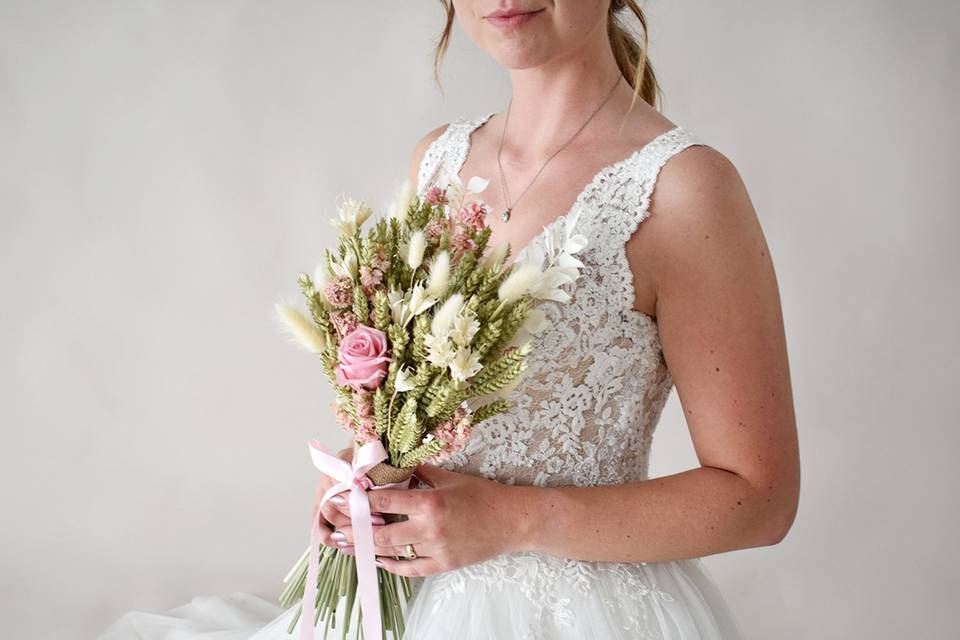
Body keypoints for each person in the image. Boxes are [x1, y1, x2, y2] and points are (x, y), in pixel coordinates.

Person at [99, 1, 799, 638]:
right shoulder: (441, 160)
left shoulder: (684, 190)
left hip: (581, 613)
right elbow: (439, 418)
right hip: (408, 599)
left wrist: (515, 520)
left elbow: (760, 497)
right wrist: (373, 478)